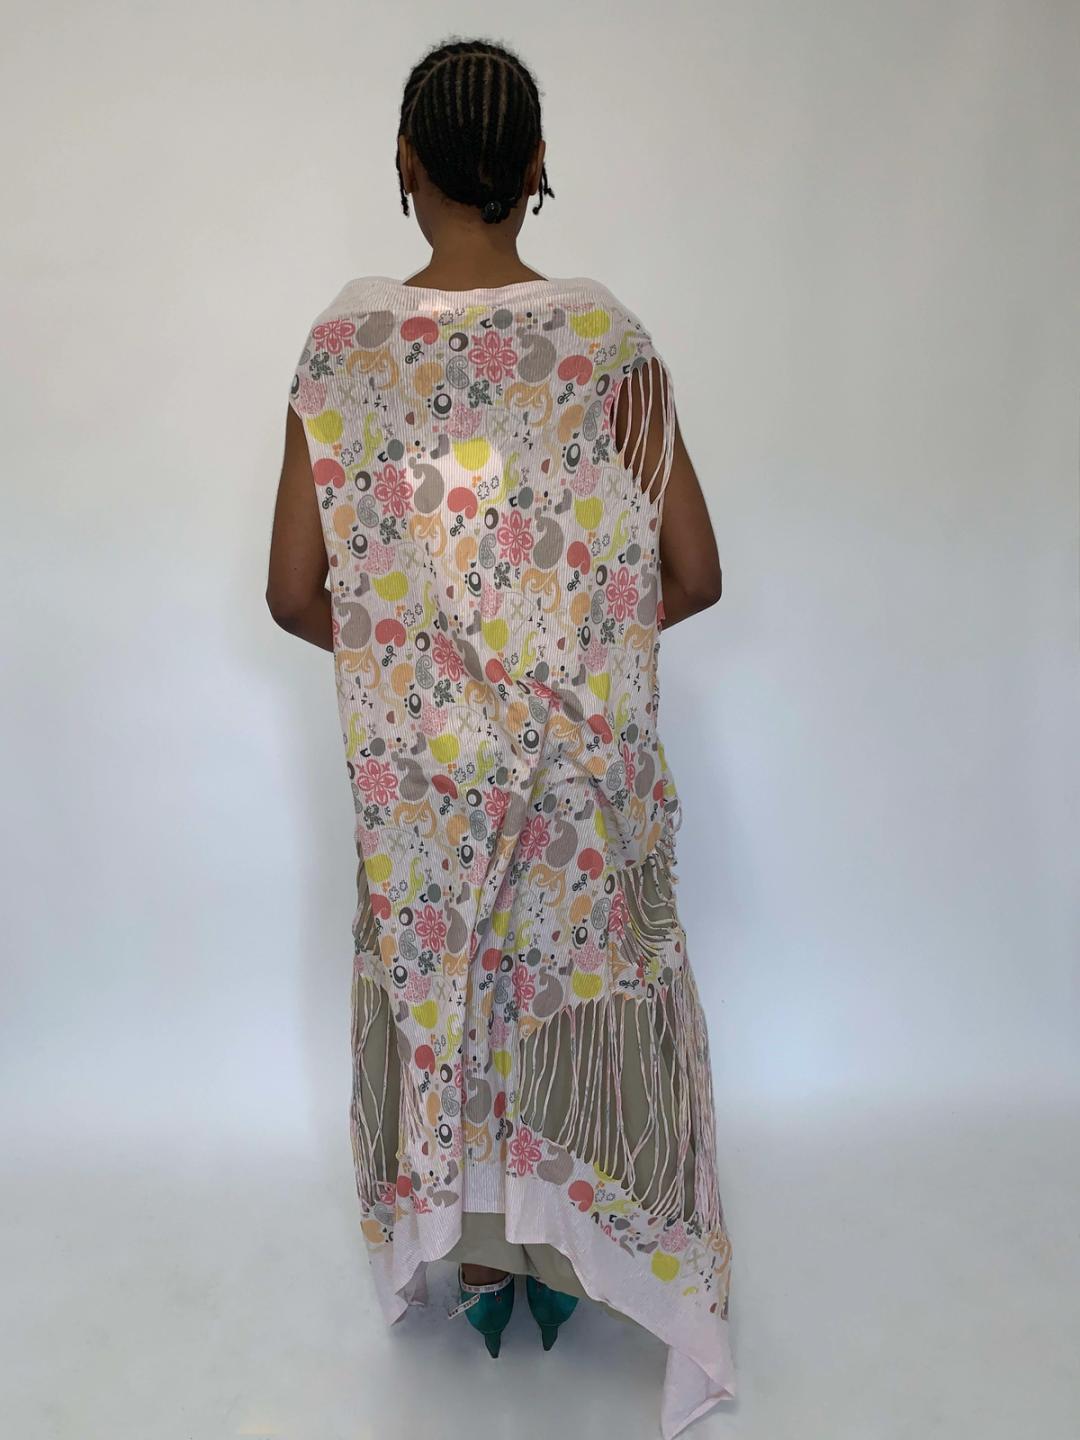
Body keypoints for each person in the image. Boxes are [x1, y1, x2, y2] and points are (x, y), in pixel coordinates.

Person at [266, 34, 735, 1439]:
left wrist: (422, 671)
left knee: (448, 998)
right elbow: (695, 572)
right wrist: (573, 653)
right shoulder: (609, 344)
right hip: (580, 778)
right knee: (571, 1001)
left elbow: (293, 592)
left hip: (425, 786)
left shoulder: (344, 352)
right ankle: (571, 1256)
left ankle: (479, 1260)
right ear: (537, 168)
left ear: (405, 168)